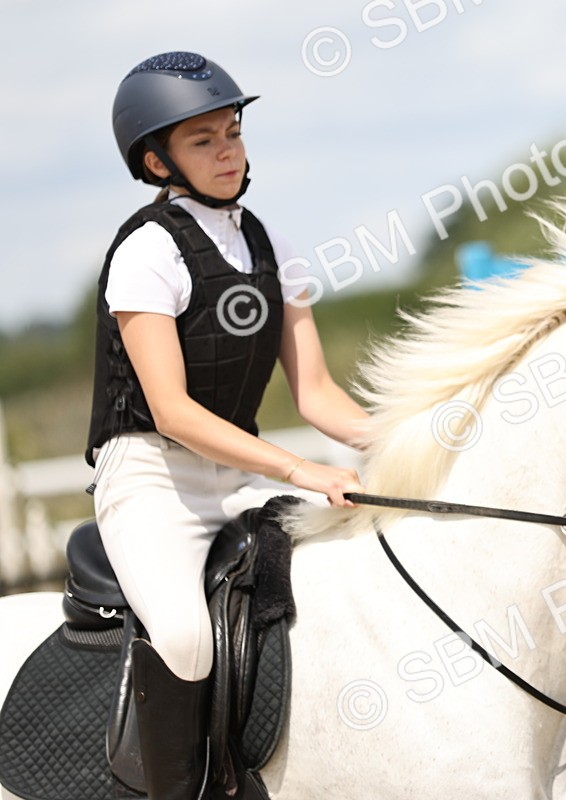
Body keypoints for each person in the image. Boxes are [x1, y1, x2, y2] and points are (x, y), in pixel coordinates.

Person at [87, 51, 368, 799]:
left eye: (233, 132)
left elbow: (317, 395)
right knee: (185, 639)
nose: (228, 152)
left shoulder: (273, 246)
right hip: (152, 479)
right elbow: (174, 412)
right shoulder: (147, 252)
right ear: (158, 162)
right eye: (203, 140)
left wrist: (413, 439)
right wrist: (302, 469)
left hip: (239, 473)